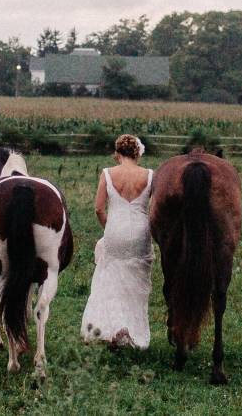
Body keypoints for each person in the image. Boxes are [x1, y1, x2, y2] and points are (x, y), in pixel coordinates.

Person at [79, 133, 154, 348]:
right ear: (137, 153)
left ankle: (114, 327)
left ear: (118, 153)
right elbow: (154, 208)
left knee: (110, 279)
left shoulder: (108, 174)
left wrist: (108, 228)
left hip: (114, 230)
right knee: (137, 280)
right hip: (141, 231)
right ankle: (132, 330)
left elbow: (98, 208)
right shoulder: (149, 175)